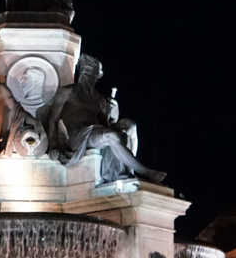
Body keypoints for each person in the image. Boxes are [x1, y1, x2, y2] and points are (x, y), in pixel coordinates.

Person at [41, 55, 164, 184]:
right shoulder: (68, 91)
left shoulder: (100, 100)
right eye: (83, 68)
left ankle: (129, 171)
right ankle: (145, 171)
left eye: (90, 69)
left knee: (130, 125)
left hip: (95, 132)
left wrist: (115, 111)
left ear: (98, 75)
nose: (85, 72)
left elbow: (107, 124)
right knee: (110, 135)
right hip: (78, 137)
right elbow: (53, 119)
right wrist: (54, 145)